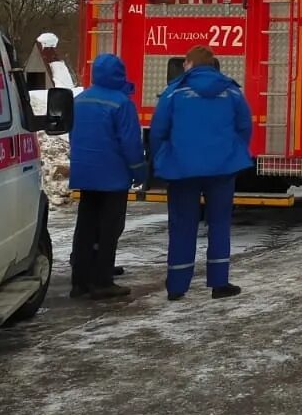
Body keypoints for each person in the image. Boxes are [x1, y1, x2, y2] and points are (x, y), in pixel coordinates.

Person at [151, 46, 252, 301]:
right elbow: (244, 127)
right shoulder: (231, 91)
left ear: (188, 64)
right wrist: (232, 153)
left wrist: (161, 159)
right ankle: (219, 284)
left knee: (182, 225)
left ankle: (177, 286)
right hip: (222, 169)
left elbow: (158, 130)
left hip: (182, 169)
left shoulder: (174, 92)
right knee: (219, 224)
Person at [68, 54, 145, 300]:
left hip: (85, 172)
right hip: (112, 175)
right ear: (119, 74)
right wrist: (139, 170)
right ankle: (102, 281)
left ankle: (80, 281)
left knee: (86, 226)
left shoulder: (79, 100)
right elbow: (131, 143)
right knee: (110, 227)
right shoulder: (121, 103)